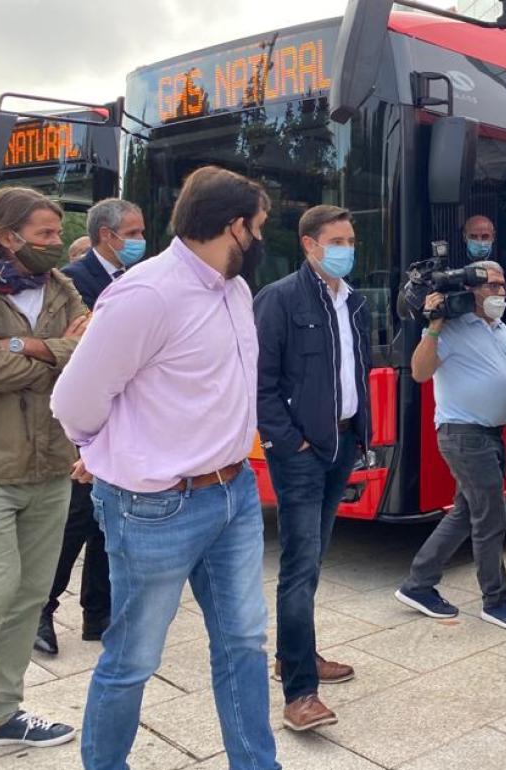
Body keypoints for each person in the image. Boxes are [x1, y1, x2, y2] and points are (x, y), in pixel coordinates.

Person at [50, 166, 279, 770]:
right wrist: (104, 452)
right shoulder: (145, 293)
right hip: (155, 507)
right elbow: (74, 401)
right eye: (257, 227)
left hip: (235, 494)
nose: (261, 239)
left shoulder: (234, 289)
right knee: (134, 657)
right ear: (234, 227)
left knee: (244, 644)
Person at [0, 187, 89, 769]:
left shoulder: (59, 287)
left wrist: (28, 347)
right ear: (8, 236)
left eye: (58, 234)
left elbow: (94, 342)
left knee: (31, 592)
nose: (57, 244)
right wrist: (58, 350)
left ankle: (3, 713)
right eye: (46, 234)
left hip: (49, 462)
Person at [253, 205, 371, 731]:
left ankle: (294, 654)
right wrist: (290, 442)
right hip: (301, 453)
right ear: (309, 244)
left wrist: (359, 434)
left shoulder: (353, 302)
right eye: (337, 240)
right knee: (299, 568)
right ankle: (300, 692)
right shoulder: (279, 299)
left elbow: (354, 372)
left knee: (315, 558)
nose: (347, 247)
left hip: (341, 444)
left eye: (351, 239)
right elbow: (261, 384)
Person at [394, 261, 506, 631]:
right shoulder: (453, 327)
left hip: (490, 434)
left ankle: (418, 584)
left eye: (503, 285)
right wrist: (434, 325)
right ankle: (496, 600)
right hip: (463, 434)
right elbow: (421, 372)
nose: (499, 293)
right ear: (470, 289)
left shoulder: (501, 328)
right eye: (490, 286)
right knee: (491, 517)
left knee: (464, 513)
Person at [35, 199, 148, 657]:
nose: (142, 241)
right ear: (107, 235)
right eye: (134, 232)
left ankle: (97, 615)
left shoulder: (136, 279)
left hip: (122, 416)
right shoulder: (72, 282)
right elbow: (68, 354)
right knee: (76, 519)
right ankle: (41, 608)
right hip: (81, 422)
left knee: (108, 521)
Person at [461, 214, 506, 295]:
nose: (479, 241)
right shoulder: (454, 259)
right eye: (473, 236)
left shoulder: (505, 260)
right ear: (464, 237)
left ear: (493, 237)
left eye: (485, 236)